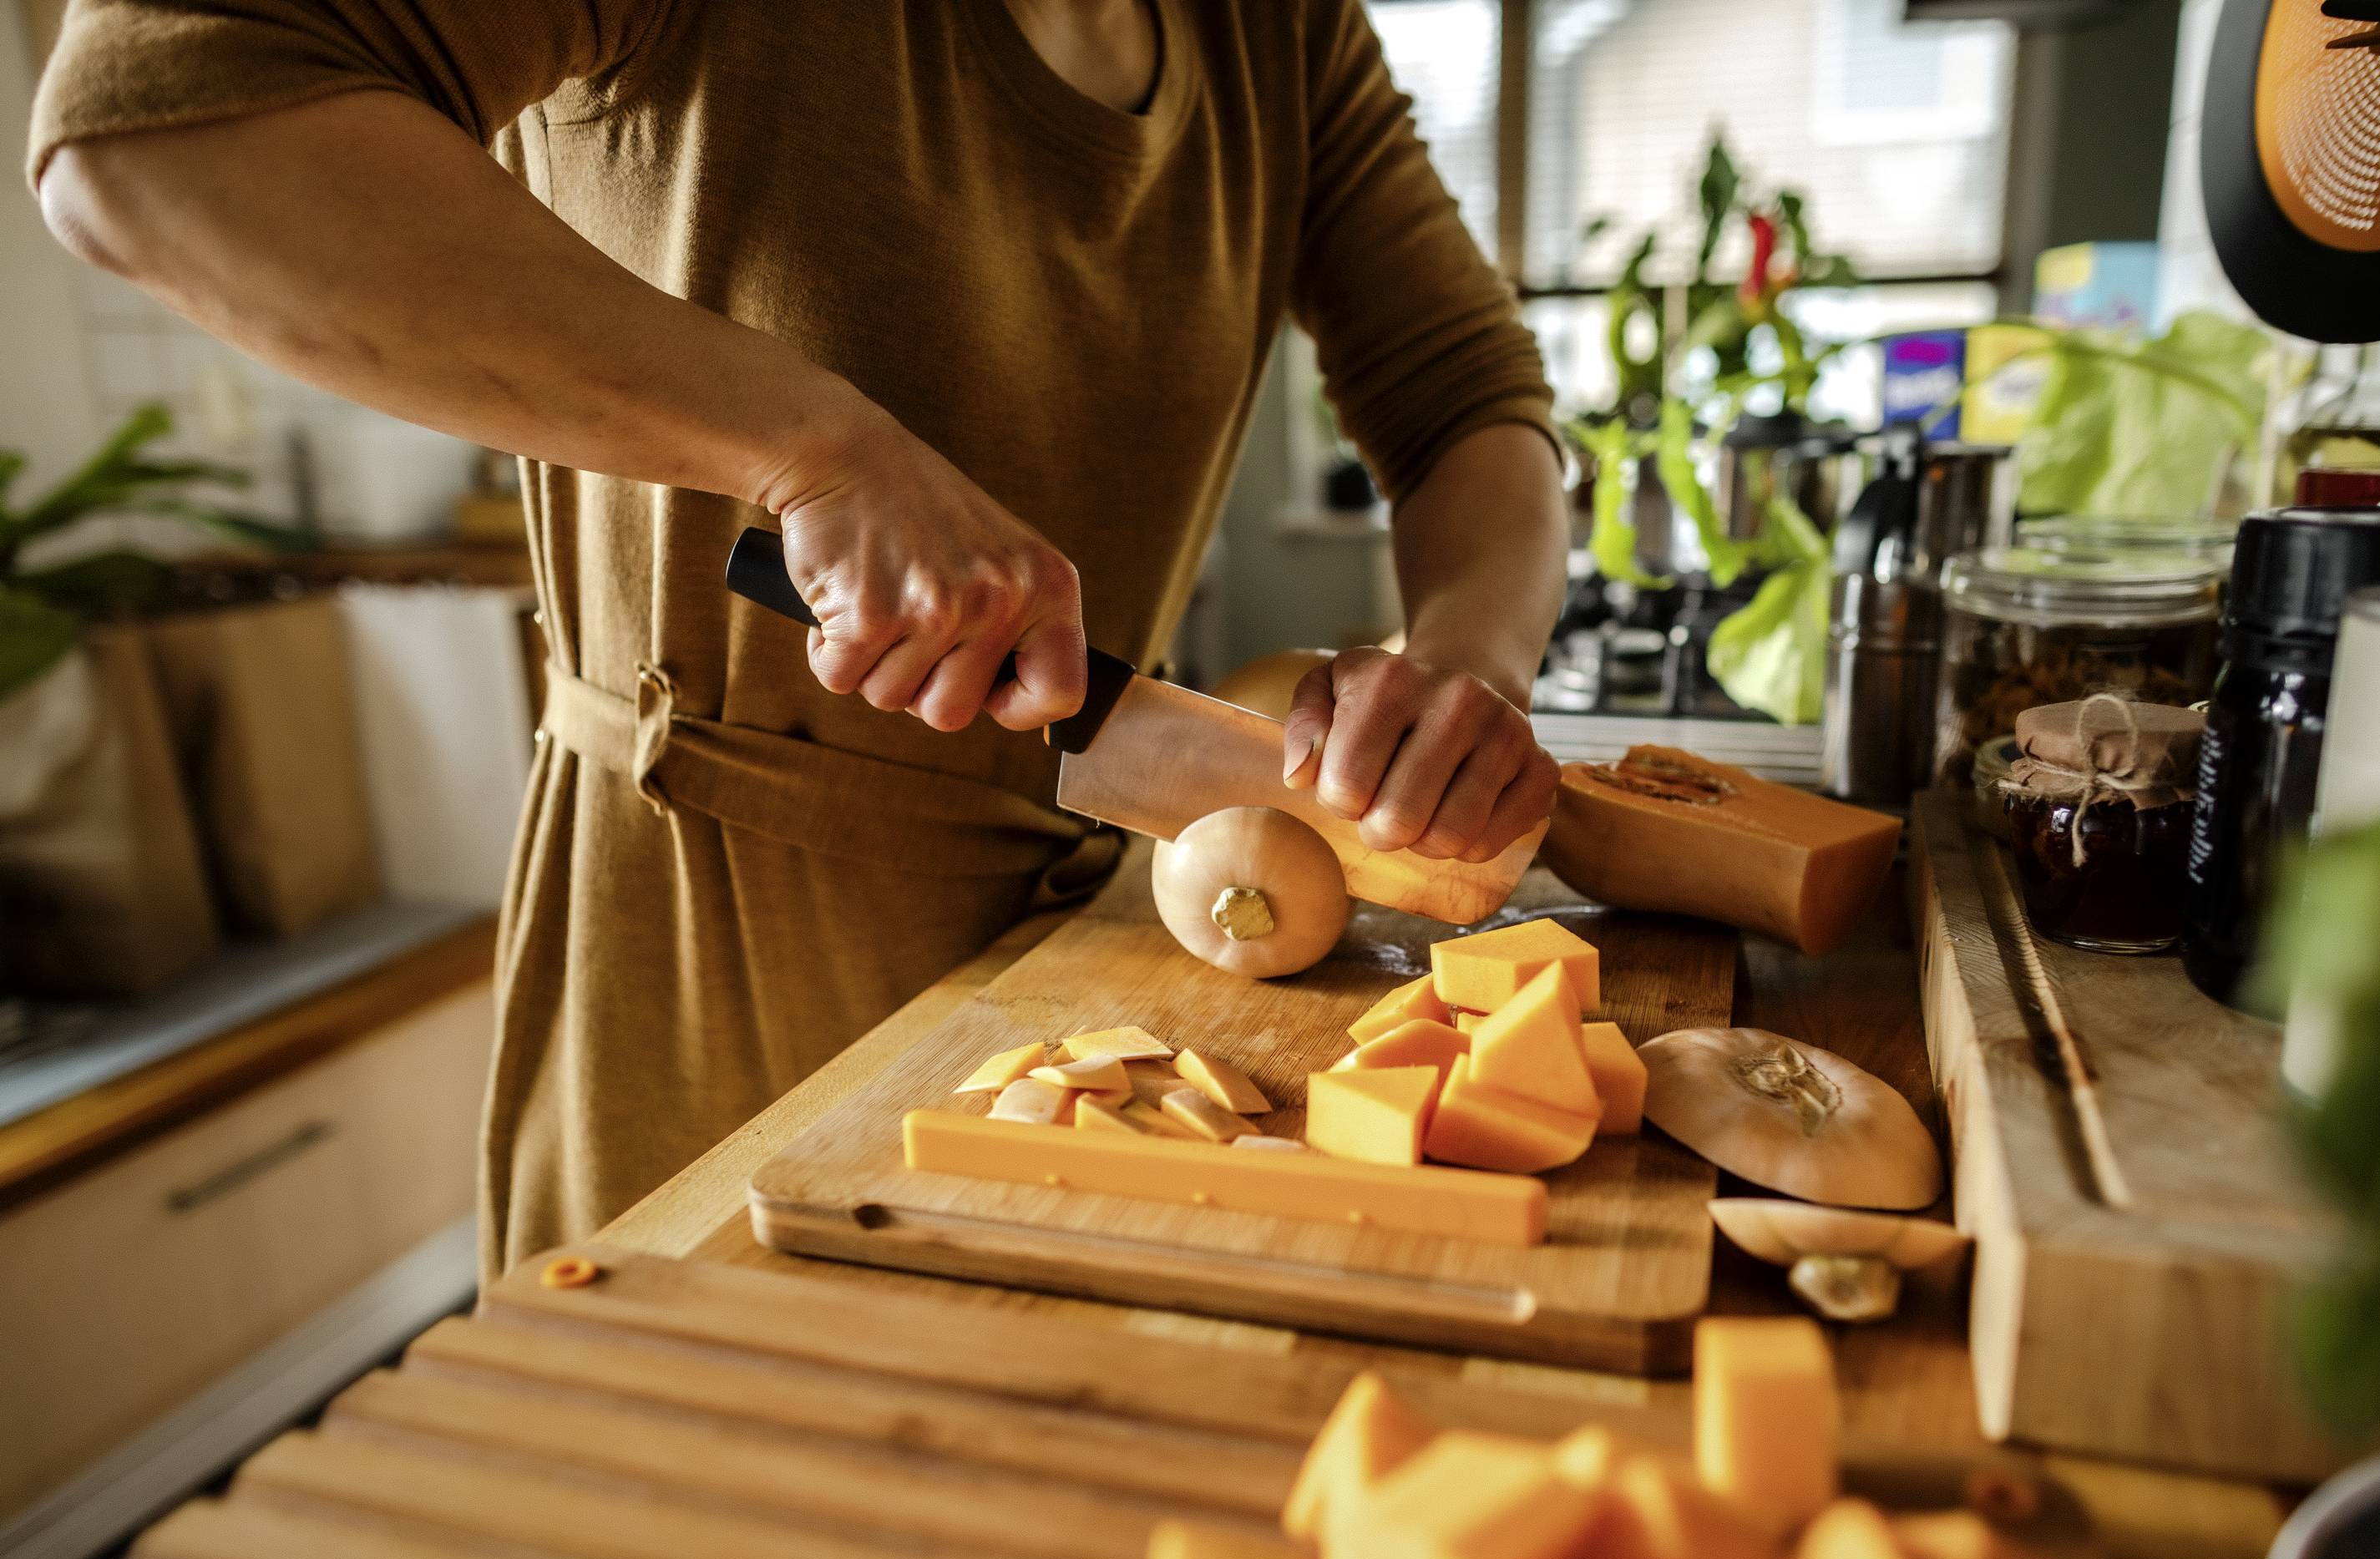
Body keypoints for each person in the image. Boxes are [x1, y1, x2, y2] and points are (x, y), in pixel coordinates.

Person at [30, 0, 1568, 1269]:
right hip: (708, 954)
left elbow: (1468, 404)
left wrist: (1471, 663)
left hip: (1082, 951)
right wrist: (814, 450)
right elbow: (151, 134)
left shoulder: (1280, 31)